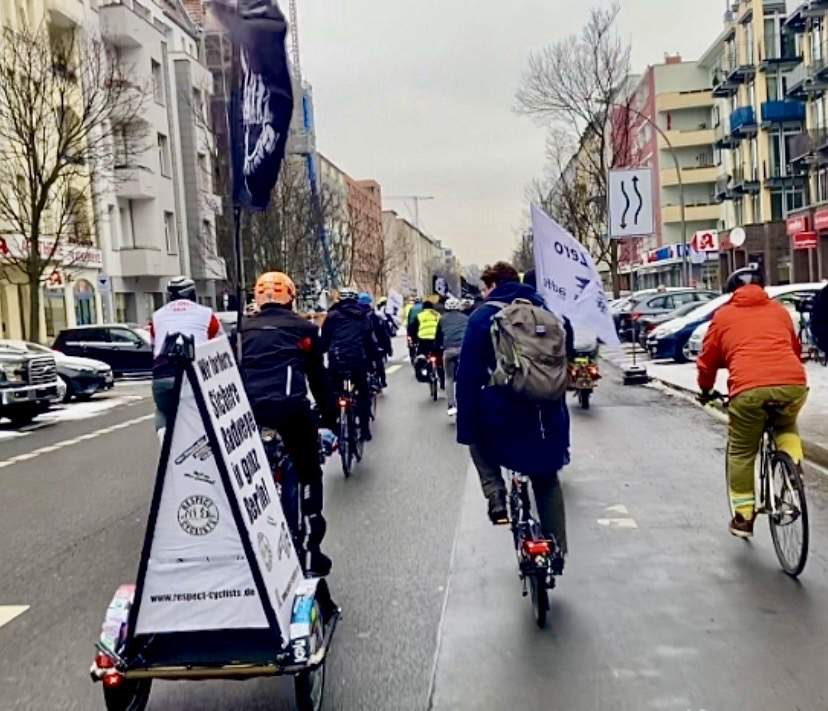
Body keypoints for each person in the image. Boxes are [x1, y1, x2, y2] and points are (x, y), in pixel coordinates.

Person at [456, 261, 569, 558]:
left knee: (477, 437)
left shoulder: (482, 317)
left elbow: (468, 376)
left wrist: (466, 427)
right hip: (545, 414)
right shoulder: (549, 312)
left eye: (485, 287)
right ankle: (557, 548)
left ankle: (496, 494)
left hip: (500, 413)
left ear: (493, 285)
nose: (483, 293)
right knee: (546, 478)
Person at [697, 265, 808, 538]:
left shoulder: (723, 316)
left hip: (748, 390)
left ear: (731, 291)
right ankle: (793, 466)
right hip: (793, 384)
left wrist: (706, 390)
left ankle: (744, 518)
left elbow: (707, 360)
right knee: (786, 425)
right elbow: (795, 349)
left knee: (742, 451)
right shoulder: (779, 311)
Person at [240, 272, 337, 576]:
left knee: (242, 478)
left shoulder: (241, 331)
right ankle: (311, 549)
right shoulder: (304, 328)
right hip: (291, 411)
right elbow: (318, 379)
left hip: (250, 413)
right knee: (309, 472)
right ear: (291, 298)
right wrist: (330, 417)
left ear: (257, 299)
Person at [149, 276, 223, 435]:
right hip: (194, 374)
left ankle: (163, 438)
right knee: (201, 415)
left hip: (162, 374)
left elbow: (154, 346)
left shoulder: (157, 316)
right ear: (192, 293)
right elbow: (220, 346)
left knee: (163, 410)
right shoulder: (207, 314)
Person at [321, 287, 377, 441]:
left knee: (333, 391)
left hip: (337, 359)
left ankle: (335, 426)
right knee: (363, 392)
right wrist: (373, 359)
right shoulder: (364, 317)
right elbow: (370, 343)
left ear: (340, 300)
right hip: (357, 360)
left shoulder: (332, 316)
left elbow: (323, 342)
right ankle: (365, 430)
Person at [436, 297, 468, 417]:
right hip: (462, 350)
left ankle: (451, 404)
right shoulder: (465, 318)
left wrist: (437, 349)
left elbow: (438, 337)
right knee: (464, 376)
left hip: (448, 350)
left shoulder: (442, 319)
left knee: (449, 377)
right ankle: (465, 401)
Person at [359, 292, 393, 388]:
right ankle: (382, 380)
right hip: (373, 345)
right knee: (378, 361)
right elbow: (383, 334)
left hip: (359, 347)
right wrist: (388, 349)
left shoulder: (355, 316)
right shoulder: (375, 317)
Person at [409, 300, 444, 389]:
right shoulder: (438, 315)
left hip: (423, 340)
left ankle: (426, 375)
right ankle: (442, 379)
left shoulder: (419, 316)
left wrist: (414, 340)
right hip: (435, 340)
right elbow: (442, 328)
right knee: (439, 359)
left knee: (422, 357)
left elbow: (412, 329)